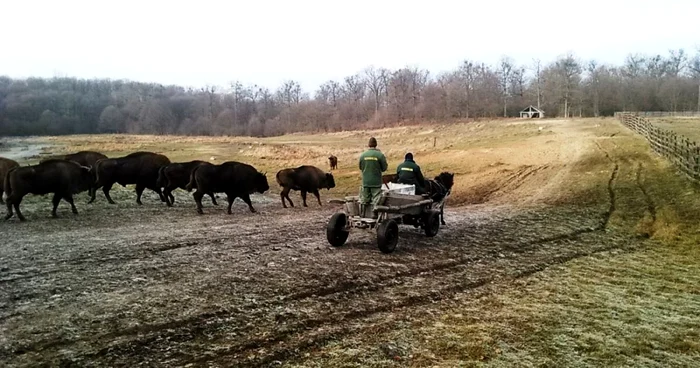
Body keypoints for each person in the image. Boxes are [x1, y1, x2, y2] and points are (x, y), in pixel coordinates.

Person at [358, 137, 388, 217]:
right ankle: (374, 214)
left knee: (364, 199)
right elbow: (384, 168)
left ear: (368, 145)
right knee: (376, 199)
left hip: (366, 181)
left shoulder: (363, 155)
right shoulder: (380, 155)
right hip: (376, 181)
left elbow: (360, 167)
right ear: (376, 144)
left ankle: (362, 214)